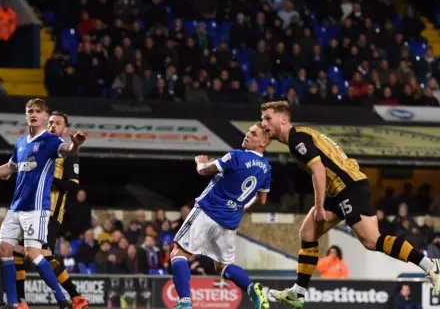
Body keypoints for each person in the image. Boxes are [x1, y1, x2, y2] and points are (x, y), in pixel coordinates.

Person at [259, 101, 440, 309]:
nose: (264, 123)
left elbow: (318, 169)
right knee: (308, 233)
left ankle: (429, 265)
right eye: (263, 119)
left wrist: (318, 206)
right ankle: (297, 293)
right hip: (341, 189)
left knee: (372, 241)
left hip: (348, 187)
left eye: (268, 118)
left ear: (283, 119)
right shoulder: (301, 135)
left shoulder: (296, 139)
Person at [0, 98, 86, 309]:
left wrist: (76, 145)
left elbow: (68, 150)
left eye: (38, 111)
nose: (34, 114)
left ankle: (63, 297)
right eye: (30, 111)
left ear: (44, 117)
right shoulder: (20, 143)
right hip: (16, 207)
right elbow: (9, 167)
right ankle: (14, 302)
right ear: (26, 115)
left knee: (34, 254)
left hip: (38, 209)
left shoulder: (51, 141)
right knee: (3, 250)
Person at [170, 123, 272, 309]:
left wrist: (201, 161)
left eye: (253, 133)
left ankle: (184, 302)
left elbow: (203, 171)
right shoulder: (266, 168)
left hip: (208, 211)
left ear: (264, 142)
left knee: (179, 252)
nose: (247, 135)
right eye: (248, 131)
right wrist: (242, 205)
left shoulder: (236, 156)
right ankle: (251, 289)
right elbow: (262, 199)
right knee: (222, 266)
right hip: (230, 222)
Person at [14, 111, 89, 309]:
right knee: (26, 253)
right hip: (31, 209)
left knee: (35, 254)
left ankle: (71, 297)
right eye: (50, 123)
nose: (52, 126)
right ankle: (72, 297)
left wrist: (49, 180)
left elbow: (73, 186)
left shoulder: (70, 154)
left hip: (51, 212)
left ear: (64, 130)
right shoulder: (40, 148)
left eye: (57, 124)